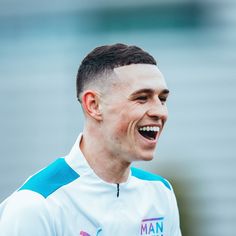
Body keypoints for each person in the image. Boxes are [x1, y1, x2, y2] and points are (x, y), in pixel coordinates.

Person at [0, 43, 181, 235]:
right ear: (93, 105)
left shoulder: (161, 193)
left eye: (162, 99)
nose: (160, 112)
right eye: (142, 98)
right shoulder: (35, 207)